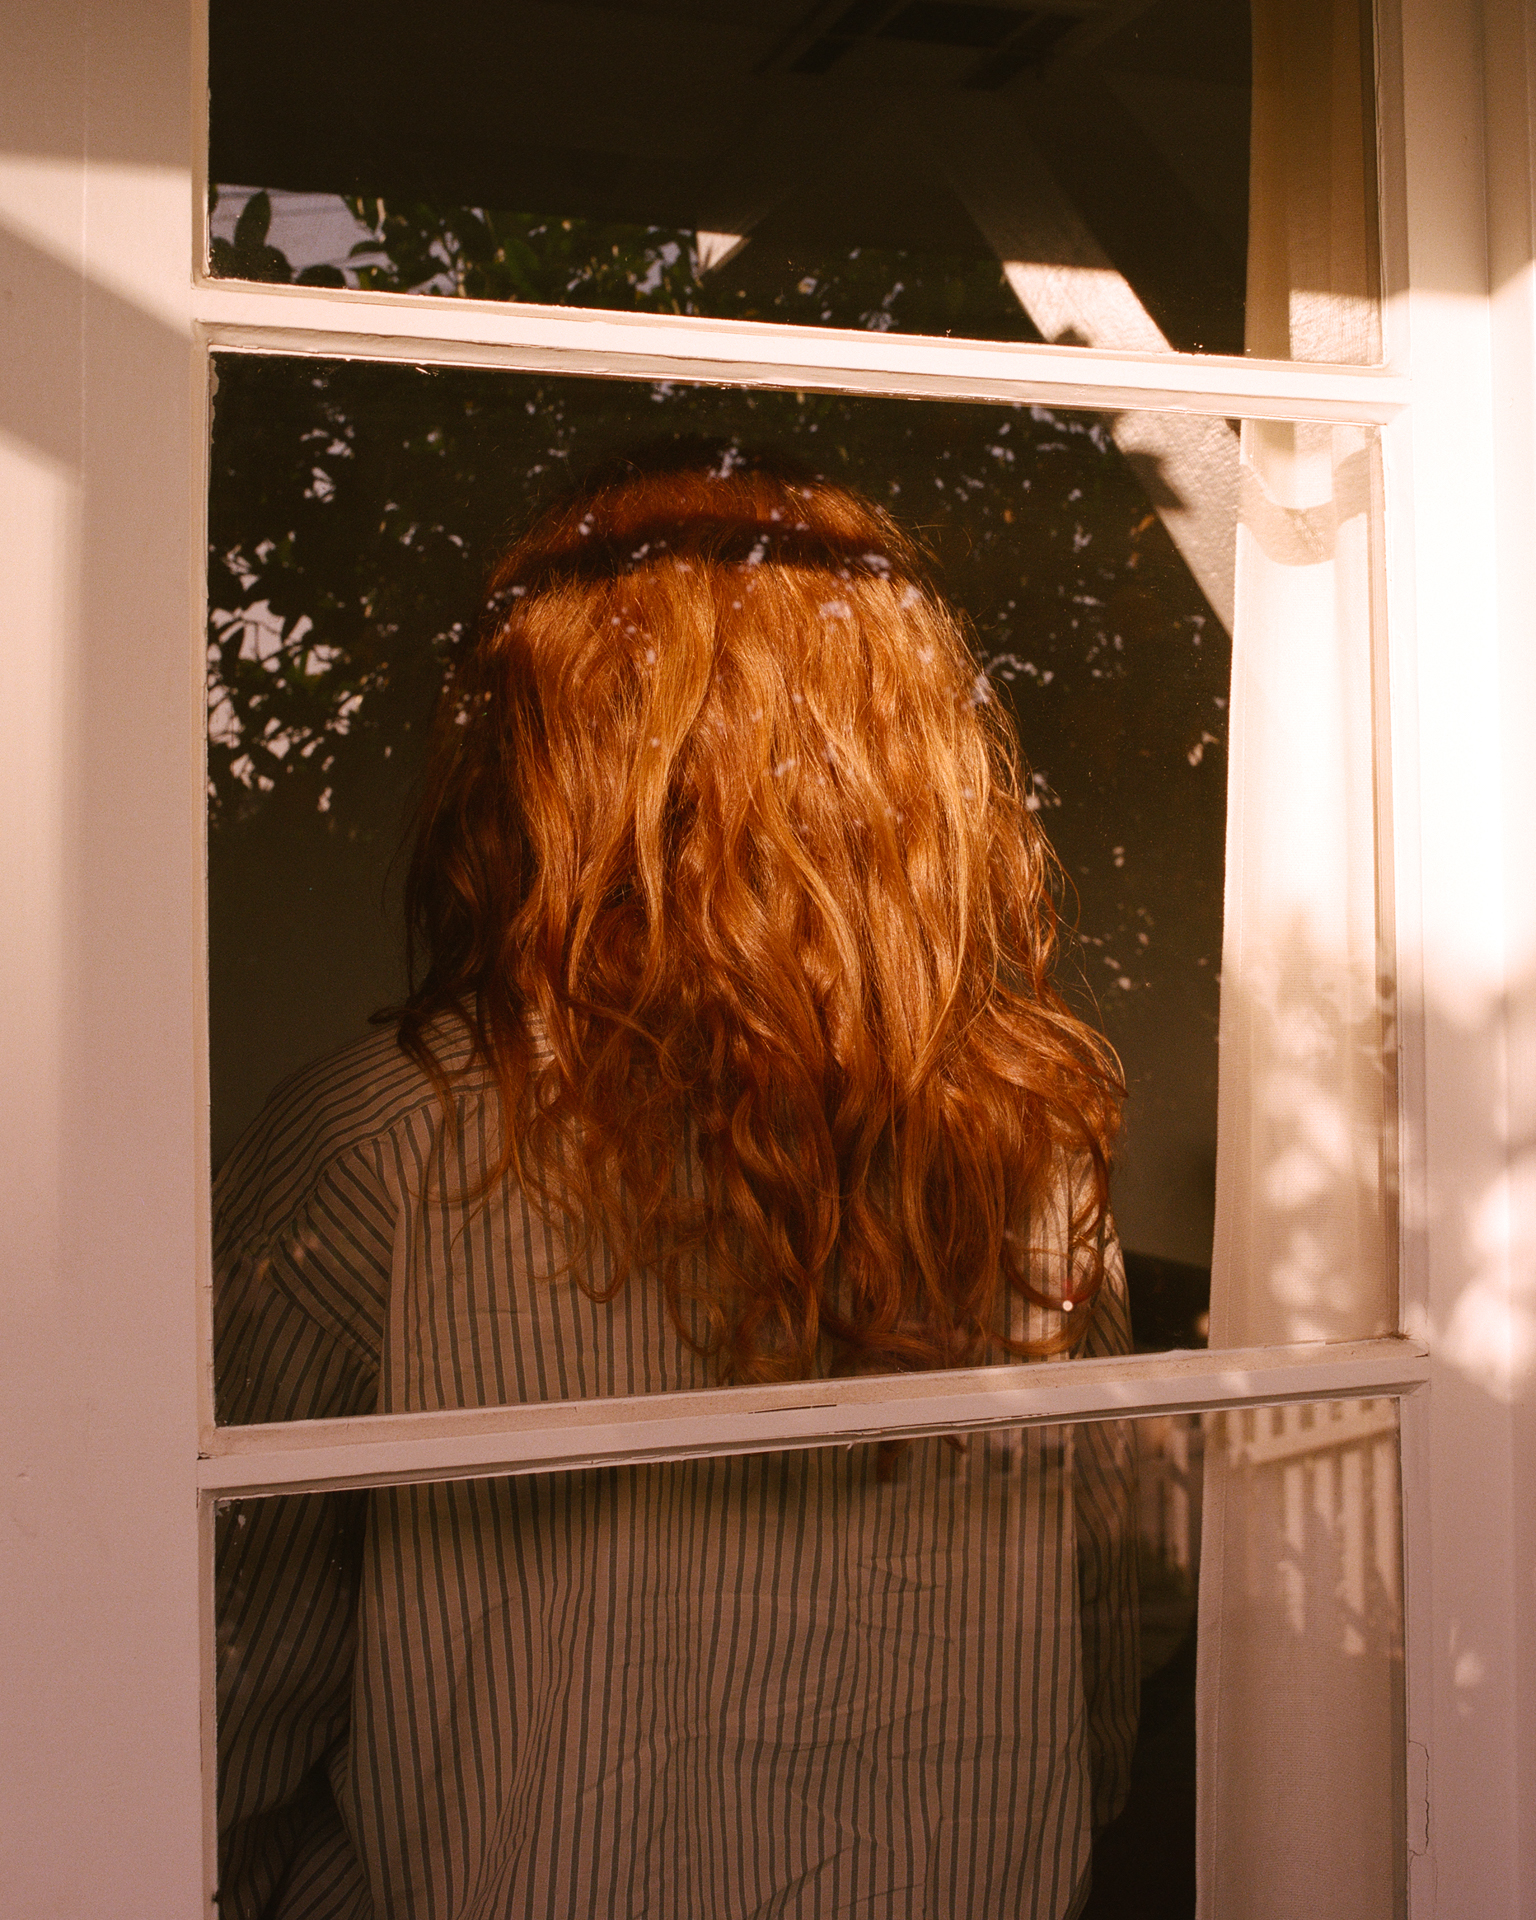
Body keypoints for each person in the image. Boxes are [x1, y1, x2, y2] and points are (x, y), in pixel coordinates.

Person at [214, 449, 1138, 1920]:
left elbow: (208, 1733)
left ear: (545, 764)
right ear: (910, 761)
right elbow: (1101, 1677)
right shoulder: (1037, 1144)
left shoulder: (379, 1144)